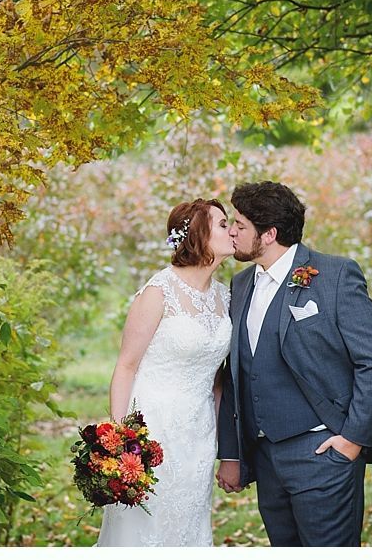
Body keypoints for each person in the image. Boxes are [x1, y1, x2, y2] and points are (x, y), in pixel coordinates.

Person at [215, 181, 372, 546]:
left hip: (324, 453)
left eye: (239, 224)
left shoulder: (334, 275)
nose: (232, 231)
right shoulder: (240, 285)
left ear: (269, 234)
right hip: (266, 458)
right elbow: (236, 375)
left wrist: (351, 440)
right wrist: (232, 453)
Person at [97, 199, 235, 546]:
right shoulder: (160, 291)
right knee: (146, 527)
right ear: (198, 236)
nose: (232, 230)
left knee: (189, 524)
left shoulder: (226, 297)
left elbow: (217, 378)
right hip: (152, 426)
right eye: (222, 224)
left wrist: (222, 440)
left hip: (200, 432)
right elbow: (126, 365)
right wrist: (121, 441)